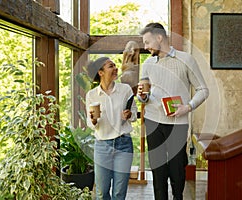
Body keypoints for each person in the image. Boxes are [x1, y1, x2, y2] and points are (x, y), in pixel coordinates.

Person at [137, 22, 209, 200]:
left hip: (178, 124)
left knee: (177, 169)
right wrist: (142, 96)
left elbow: (203, 90)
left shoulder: (186, 60)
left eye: (147, 42)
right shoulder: (147, 64)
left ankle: (178, 197)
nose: (145, 47)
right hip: (153, 121)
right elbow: (144, 95)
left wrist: (188, 107)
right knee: (157, 169)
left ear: (159, 38)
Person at [86, 57, 137, 200]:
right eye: (110, 66)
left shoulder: (125, 89)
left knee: (119, 193)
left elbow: (133, 114)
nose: (115, 68)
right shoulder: (92, 95)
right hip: (102, 146)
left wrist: (129, 115)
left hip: (124, 145)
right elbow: (91, 124)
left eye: (115, 65)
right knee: (102, 193)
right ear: (100, 72)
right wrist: (94, 120)